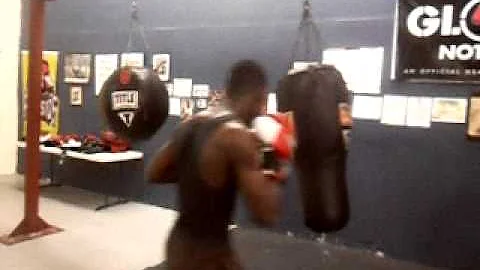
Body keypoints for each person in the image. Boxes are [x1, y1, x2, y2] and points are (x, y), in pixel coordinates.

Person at [148, 60, 286, 270]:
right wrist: (275, 158)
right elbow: (266, 214)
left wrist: (199, 174)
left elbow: (154, 173)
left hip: (177, 247)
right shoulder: (236, 136)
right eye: (263, 104)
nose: (262, 111)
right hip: (210, 259)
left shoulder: (191, 123)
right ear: (260, 97)